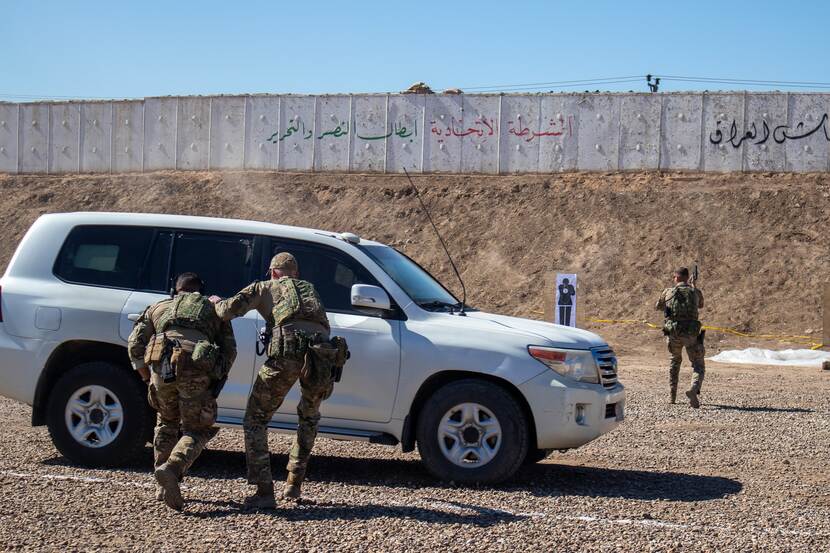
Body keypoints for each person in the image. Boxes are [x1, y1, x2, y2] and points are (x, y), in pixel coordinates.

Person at [212, 252, 337, 509]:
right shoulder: (310, 289)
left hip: (287, 354)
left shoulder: (265, 286)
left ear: (273, 272)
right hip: (322, 356)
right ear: (296, 274)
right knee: (309, 417)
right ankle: (293, 485)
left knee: (255, 418)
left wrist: (215, 302)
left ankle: (263, 491)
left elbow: (227, 311)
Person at [127, 272, 237, 511]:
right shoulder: (212, 309)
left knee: (166, 422)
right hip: (195, 369)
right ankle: (173, 468)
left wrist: (147, 378)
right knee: (196, 429)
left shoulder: (158, 307)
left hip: (160, 367)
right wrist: (216, 377)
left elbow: (135, 344)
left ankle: (161, 485)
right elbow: (230, 350)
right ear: (201, 290)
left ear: (175, 290)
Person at [655, 267, 705, 408]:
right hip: (691, 334)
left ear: (676, 278)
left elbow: (658, 306)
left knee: (675, 361)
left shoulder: (668, 292)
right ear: (688, 277)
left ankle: (672, 395)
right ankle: (693, 390)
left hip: (673, 333)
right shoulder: (695, 291)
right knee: (698, 364)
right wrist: (693, 287)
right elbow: (700, 305)